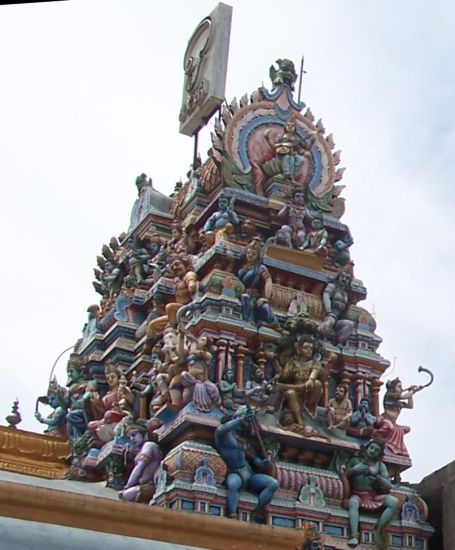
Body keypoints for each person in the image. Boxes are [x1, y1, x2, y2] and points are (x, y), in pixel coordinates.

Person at [214, 408, 279, 522]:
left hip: (248, 472)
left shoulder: (243, 440)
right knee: (233, 485)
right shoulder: (223, 433)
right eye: (247, 421)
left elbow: (254, 458)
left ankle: (257, 511)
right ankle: (232, 514)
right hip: (234, 471)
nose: (247, 424)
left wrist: (263, 463)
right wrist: (241, 419)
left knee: (273, 484)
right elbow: (225, 428)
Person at [343, 438, 399, 547]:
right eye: (371, 448)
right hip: (357, 494)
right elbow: (344, 474)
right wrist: (355, 470)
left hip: (372, 496)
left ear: (379, 453)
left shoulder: (380, 466)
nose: (373, 451)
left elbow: (389, 485)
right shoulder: (355, 460)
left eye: (376, 450)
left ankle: (378, 529)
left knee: (394, 502)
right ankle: (354, 535)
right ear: (367, 448)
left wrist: (376, 476)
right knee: (353, 503)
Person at [274, 336, 324, 422]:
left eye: (311, 348)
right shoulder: (292, 363)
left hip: (307, 393)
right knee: (290, 393)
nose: (309, 350)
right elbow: (283, 376)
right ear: (298, 349)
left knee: (317, 383)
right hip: (294, 392)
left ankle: (307, 407)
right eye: (305, 348)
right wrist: (275, 362)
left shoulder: (315, 364)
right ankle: (299, 420)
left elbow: (308, 384)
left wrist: (283, 386)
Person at [374, 378, 421, 456]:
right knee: (390, 427)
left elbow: (410, 406)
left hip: (393, 423)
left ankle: (394, 448)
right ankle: (376, 437)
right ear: (393, 388)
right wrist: (414, 391)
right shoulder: (389, 395)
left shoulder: (398, 403)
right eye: (399, 386)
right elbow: (404, 397)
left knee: (406, 429)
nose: (401, 389)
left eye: (401, 387)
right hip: (385, 419)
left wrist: (411, 392)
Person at [238, 239, 279, 328]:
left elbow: (268, 281)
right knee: (244, 297)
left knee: (250, 300)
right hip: (240, 292)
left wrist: (265, 299)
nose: (250, 255)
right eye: (248, 253)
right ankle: (247, 321)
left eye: (253, 254)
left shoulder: (260, 268)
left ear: (257, 256)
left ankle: (249, 322)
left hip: (252, 295)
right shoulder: (241, 266)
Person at [118, 424, 162, 503]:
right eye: (129, 437)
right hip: (142, 485)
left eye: (134, 435)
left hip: (151, 485)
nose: (132, 439)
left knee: (128, 494)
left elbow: (141, 466)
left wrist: (127, 486)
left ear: (145, 435)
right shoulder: (139, 452)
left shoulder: (149, 445)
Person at [318, 269, 354, 344]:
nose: (344, 279)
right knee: (329, 322)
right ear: (339, 277)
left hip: (338, 319)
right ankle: (319, 339)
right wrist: (329, 312)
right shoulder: (332, 286)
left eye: (347, 278)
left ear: (349, 282)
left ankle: (339, 343)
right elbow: (326, 295)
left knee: (349, 324)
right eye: (343, 276)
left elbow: (345, 309)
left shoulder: (345, 294)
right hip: (328, 315)